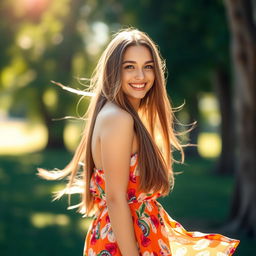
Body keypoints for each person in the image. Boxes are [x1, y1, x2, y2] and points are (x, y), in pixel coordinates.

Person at [37, 28, 240, 256]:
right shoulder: (118, 118)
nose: (141, 76)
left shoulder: (118, 114)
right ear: (114, 71)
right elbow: (115, 199)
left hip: (134, 237)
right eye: (129, 67)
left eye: (148, 66)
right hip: (127, 245)